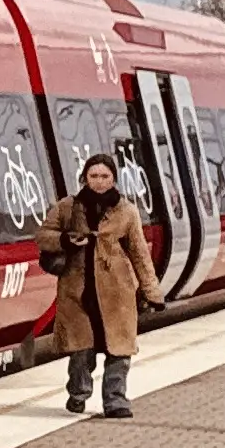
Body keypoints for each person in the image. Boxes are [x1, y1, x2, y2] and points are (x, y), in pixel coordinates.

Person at [42, 154, 160, 417]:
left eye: (105, 176)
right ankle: (78, 391)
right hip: (78, 290)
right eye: (93, 176)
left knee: (119, 349)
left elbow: (139, 253)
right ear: (85, 178)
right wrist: (65, 240)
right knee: (81, 350)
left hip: (116, 291)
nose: (99, 181)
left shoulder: (127, 211)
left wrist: (152, 291)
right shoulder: (67, 207)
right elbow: (43, 236)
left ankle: (116, 401)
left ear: (114, 179)